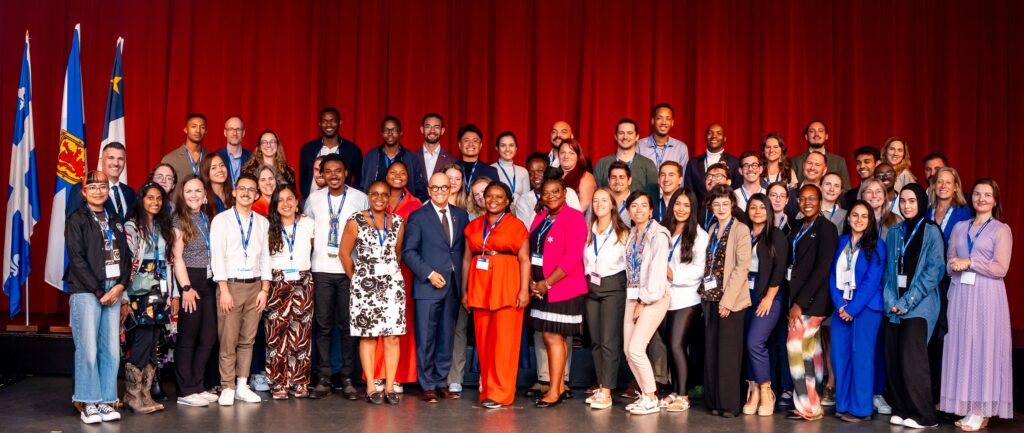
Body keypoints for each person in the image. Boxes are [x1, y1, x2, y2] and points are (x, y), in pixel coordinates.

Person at [941, 178, 1013, 431]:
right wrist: (954, 265)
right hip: (960, 293)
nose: (981, 199)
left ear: (995, 200)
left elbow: (1000, 268)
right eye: (977, 194)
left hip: (987, 297)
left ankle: (981, 410)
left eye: (987, 195)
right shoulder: (960, 226)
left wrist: (970, 262)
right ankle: (969, 406)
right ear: (971, 199)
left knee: (983, 349)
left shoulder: (1001, 230)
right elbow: (950, 259)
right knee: (963, 348)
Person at [65, 170, 131, 424]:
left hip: (113, 290)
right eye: (92, 187)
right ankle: (88, 401)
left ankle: (106, 400)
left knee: (111, 351)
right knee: (88, 349)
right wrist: (99, 291)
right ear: (84, 192)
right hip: (87, 292)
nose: (98, 191)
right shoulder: (77, 219)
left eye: (102, 186)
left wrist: (120, 286)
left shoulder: (114, 219)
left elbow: (125, 257)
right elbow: (77, 260)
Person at [460, 181, 531, 409]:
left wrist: (523, 290)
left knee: (504, 344)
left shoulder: (516, 225)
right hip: (480, 288)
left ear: (508, 201)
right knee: (484, 342)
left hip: (508, 286)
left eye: (499, 197)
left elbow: (524, 260)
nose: (493, 200)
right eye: (489, 196)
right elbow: (466, 260)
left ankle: (501, 393)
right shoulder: (474, 226)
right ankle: (488, 389)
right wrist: (464, 290)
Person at [303, 154, 369, 400]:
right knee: (322, 327)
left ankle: (348, 378)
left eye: (337, 171)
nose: (333, 175)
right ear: (322, 174)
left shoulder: (359, 198)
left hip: (349, 271)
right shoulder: (314, 199)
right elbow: (306, 231)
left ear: (346, 172)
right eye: (327, 171)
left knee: (348, 326)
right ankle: (323, 378)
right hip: (320, 270)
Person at [338, 181, 407, 405]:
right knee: (368, 336)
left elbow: (397, 254)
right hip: (365, 286)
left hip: (392, 285)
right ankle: (370, 387)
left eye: (384, 195)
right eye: (375, 194)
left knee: (392, 336)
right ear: (368, 196)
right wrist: (357, 278)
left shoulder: (397, 222)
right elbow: (344, 254)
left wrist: (388, 275)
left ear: (389, 199)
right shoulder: (355, 221)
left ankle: (389, 386)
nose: (379, 198)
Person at [882, 183, 944, 429]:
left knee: (912, 360)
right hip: (894, 305)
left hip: (920, 306)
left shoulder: (931, 231)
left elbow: (934, 271)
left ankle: (924, 415)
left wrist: (906, 302)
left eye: (912, 201)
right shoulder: (895, 231)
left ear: (920, 203)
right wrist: (891, 302)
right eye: (903, 201)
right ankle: (901, 407)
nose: (907, 205)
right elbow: (888, 272)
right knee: (893, 358)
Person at [403, 173, 469, 403]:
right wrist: (429, 274)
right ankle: (427, 384)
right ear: (429, 190)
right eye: (435, 188)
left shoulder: (461, 215)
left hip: (453, 286)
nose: (440, 191)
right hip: (427, 286)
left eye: (444, 187)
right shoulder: (418, 216)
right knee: (426, 338)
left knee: (446, 337)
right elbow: (409, 252)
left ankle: (441, 381)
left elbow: (461, 251)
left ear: (451, 188)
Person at [209, 173, 270, 406]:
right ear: (234, 192)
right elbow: (218, 257)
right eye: (242, 188)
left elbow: (265, 257)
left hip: (255, 286)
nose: (246, 193)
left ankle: (242, 385)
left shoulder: (262, 222)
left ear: (256, 195)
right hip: (231, 286)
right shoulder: (221, 220)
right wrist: (223, 289)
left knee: (248, 340)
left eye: (251, 190)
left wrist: (265, 289)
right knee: (228, 339)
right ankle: (227, 386)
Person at [528, 174, 587, 408]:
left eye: (556, 191)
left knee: (553, 336)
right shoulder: (540, 216)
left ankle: (553, 390)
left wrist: (547, 283)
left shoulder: (574, 218)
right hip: (542, 288)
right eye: (546, 192)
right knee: (552, 337)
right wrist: (534, 282)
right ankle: (559, 387)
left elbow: (572, 257)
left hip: (563, 287)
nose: (551, 196)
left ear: (565, 193)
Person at [785, 184, 839, 421]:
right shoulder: (796, 226)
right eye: (803, 198)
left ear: (820, 202)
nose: (807, 202)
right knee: (809, 351)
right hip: (796, 296)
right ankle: (811, 404)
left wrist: (800, 303)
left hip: (813, 300)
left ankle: (808, 405)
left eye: (812, 198)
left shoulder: (827, 228)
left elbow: (822, 268)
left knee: (795, 346)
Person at [829, 200, 886, 423]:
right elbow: (832, 275)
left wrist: (852, 308)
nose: (859, 220)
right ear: (849, 218)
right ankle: (843, 404)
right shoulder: (841, 241)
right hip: (841, 307)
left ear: (870, 220)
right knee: (839, 356)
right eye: (855, 215)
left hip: (866, 308)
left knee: (861, 357)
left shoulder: (877, 244)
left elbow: (872, 281)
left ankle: (861, 409)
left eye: (864, 216)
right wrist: (840, 304)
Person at [122, 182, 176, 414]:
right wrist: (123, 295)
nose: (155, 202)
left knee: (155, 341)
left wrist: (173, 293)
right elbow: (125, 264)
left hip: (160, 292)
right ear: (141, 199)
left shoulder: (164, 226)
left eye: (159, 198)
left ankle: (145, 394)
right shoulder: (132, 227)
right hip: (139, 293)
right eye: (150, 198)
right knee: (142, 341)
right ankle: (132, 396)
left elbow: (169, 262)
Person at [370, 161, 423, 394]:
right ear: (386, 174)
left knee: (399, 322)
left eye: (403, 172)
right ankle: (377, 374)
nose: (398, 176)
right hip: (376, 271)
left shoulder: (415, 204)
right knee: (376, 322)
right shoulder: (376, 199)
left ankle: (398, 374)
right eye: (394, 172)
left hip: (404, 271)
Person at [700, 185, 753, 417]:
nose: (720, 208)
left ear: (732, 205)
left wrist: (727, 301)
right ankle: (713, 401)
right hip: (710, 298)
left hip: (731, 301)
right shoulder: (711, 228)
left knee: (728, 354)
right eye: (716, 204)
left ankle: (729, 404)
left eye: (725, 203)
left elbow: (742, 268)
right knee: (712, 351)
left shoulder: (741, 229)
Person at [620, 190, 672, 415]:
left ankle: (651, 398)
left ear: (651, 210)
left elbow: (657, 272)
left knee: (636, 348)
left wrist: (643, 300)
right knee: (627, 350)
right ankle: (645, 395)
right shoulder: (632, 234)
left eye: (644, 206)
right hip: (633, 296)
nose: (638, 210)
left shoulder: (659, 234)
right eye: (634, 206)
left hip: (653, 298)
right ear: (629, 211)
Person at [170, 176, 219, 407]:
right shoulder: (179, 219)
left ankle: (198, 384)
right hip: (190, 279)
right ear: (182, 194)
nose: (193, 195)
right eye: (188, 191)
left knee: (208, 336)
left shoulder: (209, 217)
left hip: (209, 281)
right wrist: (186, 287)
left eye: (197, 191)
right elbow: (177, 257)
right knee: (188, 337)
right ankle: (185, 390)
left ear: (205, 194)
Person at [264, 184, 315, 399]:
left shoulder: (309, 224)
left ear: (296, 202)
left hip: (303, 280)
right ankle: (278, 382)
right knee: (276, 334)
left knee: (301, 333)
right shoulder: (268, 227)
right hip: (278, 280)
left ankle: (300, 380)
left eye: (289, 199)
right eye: (280, 200)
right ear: (275, 205)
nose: (285, 204)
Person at [660, 188, 709, 412]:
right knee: (669, 346)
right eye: (677, 204)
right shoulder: (662, 229)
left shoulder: (699, 235)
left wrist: (673, 275)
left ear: (693, 209)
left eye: (686, 205)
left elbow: (700, 270)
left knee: (677, 345)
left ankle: (683, 395)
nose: (681, 209)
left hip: (687, 298)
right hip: (662, 297)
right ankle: (674, 390)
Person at [582, 188, 630, 410]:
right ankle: (601, 386)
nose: (599, 204)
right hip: (591, 288)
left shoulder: (623, 232)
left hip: (614, 288)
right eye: (595, 200)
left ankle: (607, 392)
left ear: (612, 204)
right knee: (596, 341)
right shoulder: (588, 230)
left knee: (610, 341)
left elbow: (631, 267)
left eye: (604, 200)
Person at [742, 193, 788, 417]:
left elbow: (779, 269)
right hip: (745, 294)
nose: (757, 211)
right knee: (750, 343)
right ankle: (754, 392)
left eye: (762, 207)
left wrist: (769, 297)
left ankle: (766, 390)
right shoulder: (744, 233)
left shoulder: (776, 235)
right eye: (753, 207)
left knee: (755, 342)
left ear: (769, 211)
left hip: (769, 294)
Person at [361, 116, 429, 202]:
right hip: (375, 206)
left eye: (394, 130)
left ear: (401, 132)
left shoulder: (412, 157)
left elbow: (420, 189)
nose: (390, 133)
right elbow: (363, 185)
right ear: (381, 133)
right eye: (386, 130)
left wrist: (413, 209)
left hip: (404, 210)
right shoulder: (371, 155)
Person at [299, 107, 363, 196]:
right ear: (320, 124)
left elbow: (359, 179)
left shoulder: (352, 150)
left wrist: (350, 197)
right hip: (314, 203)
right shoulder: (308, 149)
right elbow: (303, 179)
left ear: (340, 122)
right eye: (324, 121)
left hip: (342, 203)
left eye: (332, 120)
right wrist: (307, 198)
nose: (328, 124)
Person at [593, 119, 659, 198]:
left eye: (629, 133)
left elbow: (654, 199)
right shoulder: (602, 164)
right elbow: (595, 196)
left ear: (637, 137)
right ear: (615, 137)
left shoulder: (648, 165)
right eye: (621, 133)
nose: (625, 137)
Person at [67, 142, 135, 219]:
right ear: (101, 161)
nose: (116, 163)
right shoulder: (83, 188)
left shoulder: (130, 192)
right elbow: (73, 225)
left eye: (120, 159)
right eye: (111, 158)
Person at [514, 152, 582, 225]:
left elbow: (578, 222)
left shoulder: (568, 192)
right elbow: (528, 230)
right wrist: (537, 209)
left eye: (540, 171)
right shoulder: (523, 201)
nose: (535, 176)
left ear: (548, 170)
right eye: (530, 173)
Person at [684, 123, 741, 204]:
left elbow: (737, 192)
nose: (714, 136)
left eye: (719, 133)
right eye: (710, 133)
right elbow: (689, 192)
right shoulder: (693, 163)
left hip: (725, 212)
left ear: (725, 138)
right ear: (705, 137)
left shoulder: (735, 163)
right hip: (700, 214)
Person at [791, 120, 852, 191]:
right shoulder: (794, 161)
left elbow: (846, 190)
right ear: (806, 136)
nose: (816, 134)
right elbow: (791, 190)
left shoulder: (839, 161)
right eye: (812, 131)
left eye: (820, 131)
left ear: (826, 136)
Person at [161, 114, 209, 191]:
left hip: (205, 202)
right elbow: (162, 189)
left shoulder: (211, 158)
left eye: (202, 127)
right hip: (178, 203)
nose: (198, 130)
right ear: (186, 130)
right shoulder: (170, 159)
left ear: (206, 131)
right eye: (194, 126)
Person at [637, 103, 689, 169]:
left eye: (668, 119)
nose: (664, 122)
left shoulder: (681, 148)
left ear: (672, 123)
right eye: (659, 118)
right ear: (653, 121)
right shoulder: (639, 146)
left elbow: (683, 177)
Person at [927, 167, 972, 241]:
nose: (943, 186)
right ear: (934, 186)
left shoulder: (966, 214)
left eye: (948, 182)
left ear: (955, 187)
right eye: (939, 182)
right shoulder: (926, 213)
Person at [456, 124, 499, 193]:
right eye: (466, 140)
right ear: (460, 145)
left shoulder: (491, 171)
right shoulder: (451, 169)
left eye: (475, 141)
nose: (471, 144)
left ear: (480, 145)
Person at [491, 131, 531, 205]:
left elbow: (527, 200)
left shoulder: (523, 171)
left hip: (520, 214)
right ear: (497, 148)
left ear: (516, 148)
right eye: (503, 146)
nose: (507, 149)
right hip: (499, 213)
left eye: (511, 145)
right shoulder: (490, 169)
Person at [558, 139, 596, 212]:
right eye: (562, 152)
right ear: (558, 155)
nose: (566, 156)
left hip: (575, 220)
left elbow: (584, 205)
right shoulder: (554, 175)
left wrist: (564, 221)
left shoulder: (585, 176)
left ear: (578, 157)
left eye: (571, 153)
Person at [216, 116, 252, 187]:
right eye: (231, 129)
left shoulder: (252, 158)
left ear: (243, 133)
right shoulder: (216, 157)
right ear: (225, 132)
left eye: (238, 129)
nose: (234, 133)